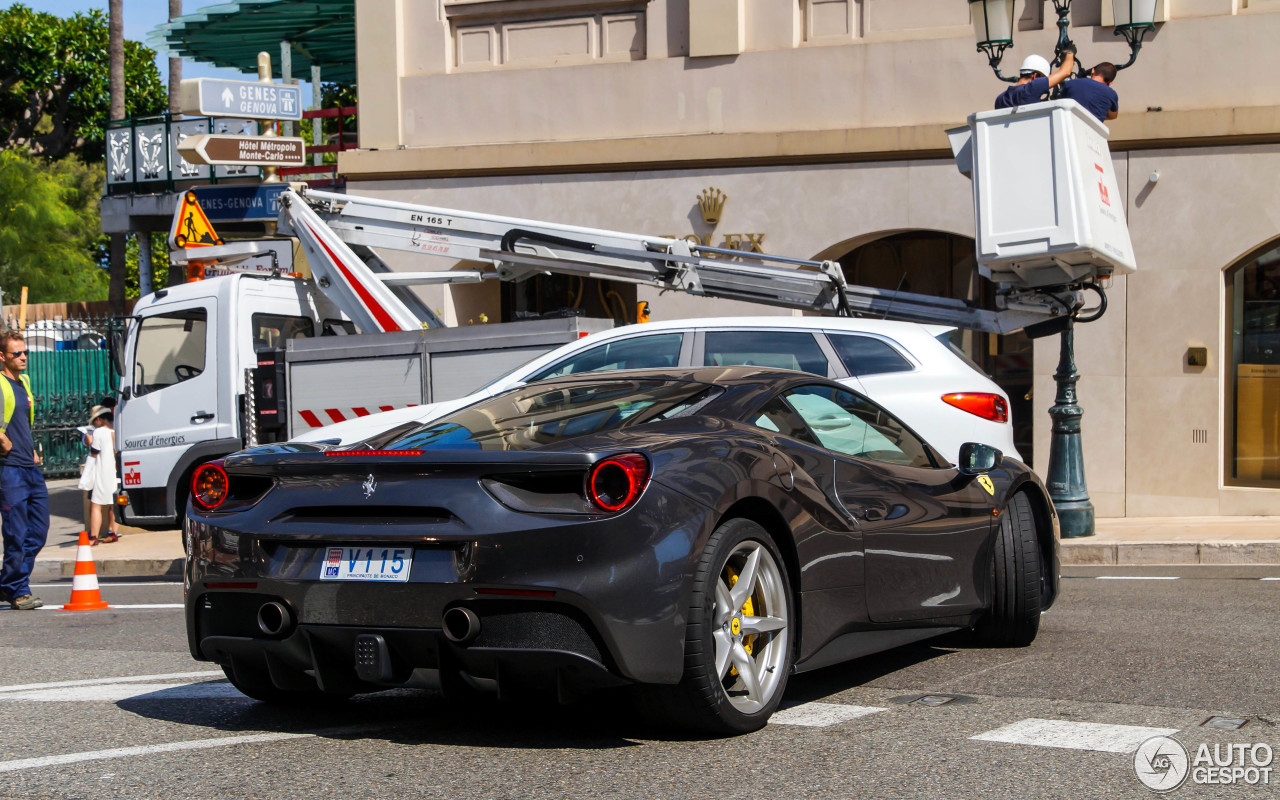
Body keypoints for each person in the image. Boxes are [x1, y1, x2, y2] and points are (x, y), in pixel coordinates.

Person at [0, 331, 49, 610]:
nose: (23, 357)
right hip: (8, 470)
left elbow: (20, 421)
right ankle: (19, 590)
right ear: (2, 357)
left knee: (39, 531)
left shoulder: (24, 383)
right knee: (16, 533)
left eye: (25, 352)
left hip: (28, 467)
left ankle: (7, 583)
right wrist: (3, 439)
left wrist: (28, 444)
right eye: (16, 353)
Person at [85, 405, 121, 545]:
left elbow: (95, 452)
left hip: (102, 471)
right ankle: (113, 533)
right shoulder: (117, 430)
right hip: (116, 472)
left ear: (99, 419)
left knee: (96, 505)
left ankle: (93, 537)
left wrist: (90, 442)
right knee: (114, 504)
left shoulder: (99, 432)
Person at [994, 49, 1075, 110]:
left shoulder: (1000, 99)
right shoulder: (1031, 89)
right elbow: (1066, 72)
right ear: (1035, 76)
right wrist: (1070, 52)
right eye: (1043, 79)